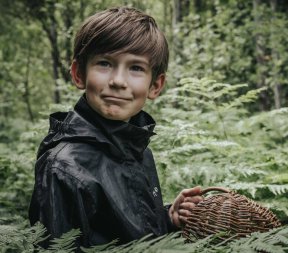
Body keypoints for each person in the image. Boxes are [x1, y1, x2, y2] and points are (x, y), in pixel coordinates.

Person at [29, 6, 203, 248]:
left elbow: (125, 232)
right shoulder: (65, 167)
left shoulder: (137, 148)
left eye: (136, 68)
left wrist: (166, 219)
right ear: (79, 73)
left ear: (155, 85)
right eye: (104, 63)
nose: (118, 81)